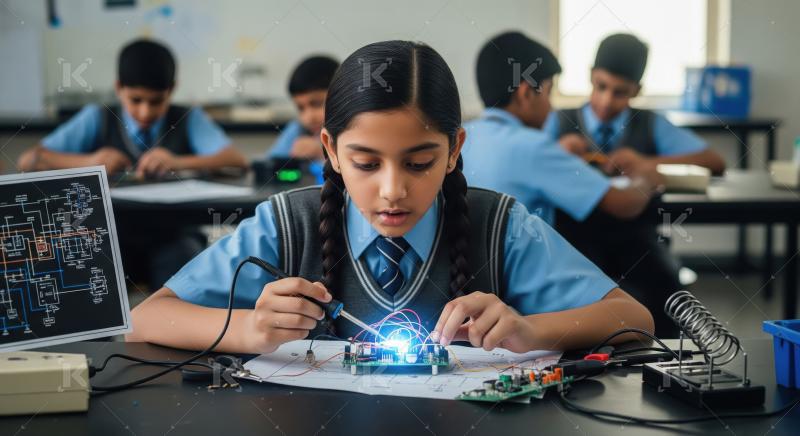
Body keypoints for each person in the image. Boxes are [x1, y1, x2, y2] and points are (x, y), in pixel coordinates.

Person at [129, 40, 653, 354]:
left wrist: (529, 329)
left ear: (454, 152)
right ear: (331, 151)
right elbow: (146, 319)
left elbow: (634, 319)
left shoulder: (499, 225)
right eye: (365, 163)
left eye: (420, 162)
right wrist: (249, 329)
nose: (393, 190)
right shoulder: (287, 224)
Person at [542, 34, 726, 337]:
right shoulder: (558, 122)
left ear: (637, 91)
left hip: (637, 240)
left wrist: (645, 163)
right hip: (573, 241)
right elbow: (531, 168)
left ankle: (665, 365)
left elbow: (714, 161)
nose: (606, 101)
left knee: (666, 291)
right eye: (601, 86)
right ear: (590, 76)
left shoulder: (650, 123)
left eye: (620, 92)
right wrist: (557, 154)